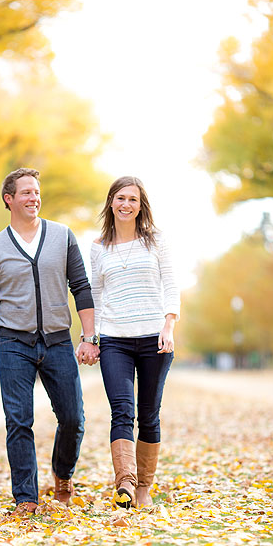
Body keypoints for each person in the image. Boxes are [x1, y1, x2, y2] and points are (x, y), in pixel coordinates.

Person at [0, 168, 100, 515]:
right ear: (9, 199)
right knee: (18, 421)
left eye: (37, 192)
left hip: (58, 341)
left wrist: (89, 337)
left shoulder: (62, 236)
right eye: (26, 192)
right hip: (14, 344)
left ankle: (62, 475)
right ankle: (26, 498)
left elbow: (82, 288)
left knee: (73, 418)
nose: (34, 198)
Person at [89, 176, 179, 509]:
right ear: (111, 202)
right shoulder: (98, 247)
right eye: (121, 198)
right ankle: (124, 483)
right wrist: (92, 336)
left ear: (141, 207)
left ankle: (144, 488)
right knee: (122, 410)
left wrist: (169, 325)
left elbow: (170, 284)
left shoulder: (155, 241)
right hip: (115, 340)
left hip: (154, 338)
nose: (126, 205)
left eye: (133, 200)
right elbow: (96, 295)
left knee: (149, 414)